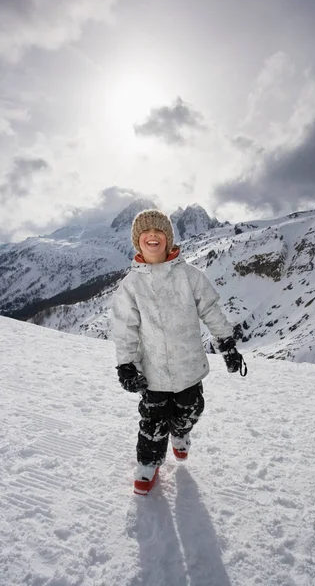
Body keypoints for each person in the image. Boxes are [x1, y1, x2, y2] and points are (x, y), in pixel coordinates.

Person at [111, 209, 244, 494]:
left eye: (159, 231)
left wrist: (227, 345)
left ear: (169, 239)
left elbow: (210, 309)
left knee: (190, 410)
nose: (153, 235)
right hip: (153, 372)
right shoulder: (131, 286)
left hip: (188, 368)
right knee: (152, 421)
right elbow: (126, 328)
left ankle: (181, 433)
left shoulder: (190, 276)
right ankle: (148, 464)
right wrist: (126, 364)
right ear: (137, 241)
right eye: (146, 232)